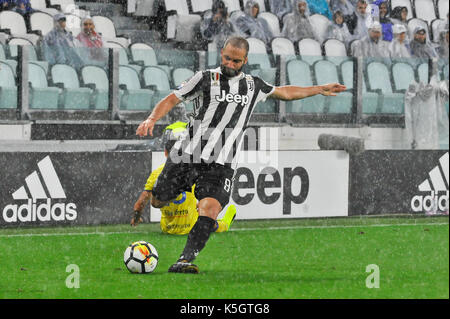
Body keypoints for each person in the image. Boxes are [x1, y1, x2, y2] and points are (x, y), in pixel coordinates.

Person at [135, 36, 346, 274]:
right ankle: (185, 206)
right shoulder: (205, 78)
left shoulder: (253, 85)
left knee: (210, 209)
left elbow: (285, 93)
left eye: (236, 61)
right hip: (187, 155)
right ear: (221, 53)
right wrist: (152, 118)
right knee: (158, 200)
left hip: (221, 163)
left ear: (245, 60)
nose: (231, 64)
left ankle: (185, 260)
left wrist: (319, 89)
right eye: (227, 58)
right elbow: (172, 98)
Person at [131, 122, 237, 235]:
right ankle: (224, 223)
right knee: (212, 224)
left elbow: (140, 203)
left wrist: (136, 217)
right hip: (193, 226)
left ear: (166, 153)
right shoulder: (194, 169)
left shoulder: (157, 173)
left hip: (167, 228)